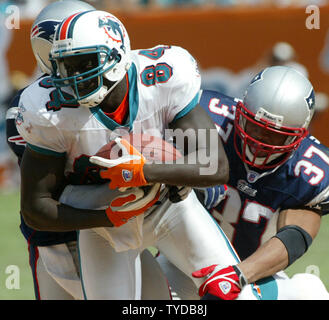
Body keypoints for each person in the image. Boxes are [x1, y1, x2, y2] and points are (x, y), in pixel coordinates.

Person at [15, 9, 243, 300]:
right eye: (65, 66)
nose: (72, 76)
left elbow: (215, 165)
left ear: (115, 56)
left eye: (83, 63)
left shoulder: (163, 77)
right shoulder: (47, 108)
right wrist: (107, 218)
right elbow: (35, 207)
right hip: (98, 222)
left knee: (234, 293)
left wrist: (144, 172)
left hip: (166, 204)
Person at [8, 0, 175, 300]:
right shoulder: (39, 107)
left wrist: (163, 171)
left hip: (113, 229)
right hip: (63, 237)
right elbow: (43, 200)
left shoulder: (124, 86)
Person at [187, 66, 329, 300]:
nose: (259, 142)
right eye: (255, 126)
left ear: (298, 137)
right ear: (240, 112)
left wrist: (238, 275)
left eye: (275, 135)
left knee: (310, 291)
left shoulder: (310, 171)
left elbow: (295, 236)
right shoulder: (208, 120)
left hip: (250, 275)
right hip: (184, 262)